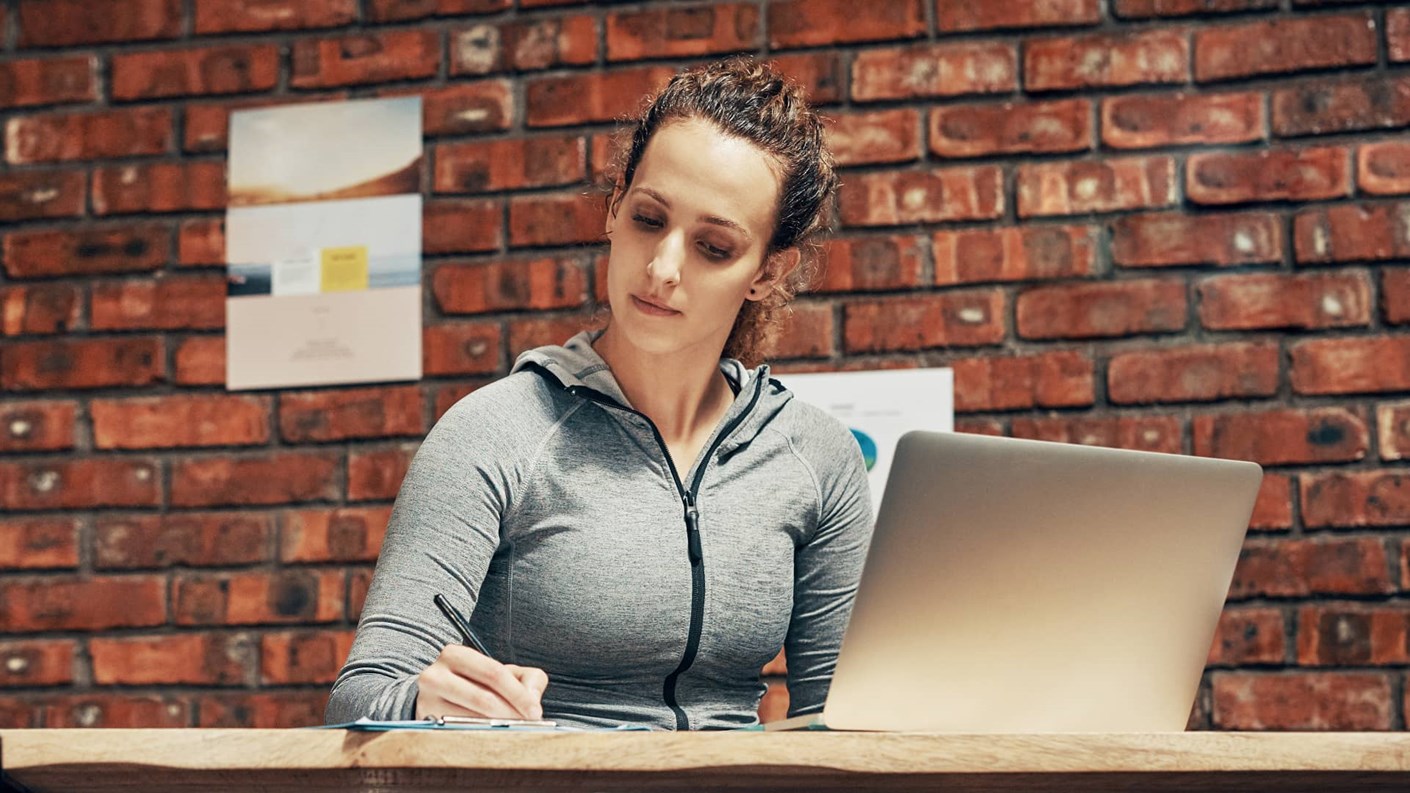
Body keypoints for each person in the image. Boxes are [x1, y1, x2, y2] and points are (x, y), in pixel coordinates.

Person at [325, 55, 873, 731]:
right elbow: (362, 694)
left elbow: (844, 726)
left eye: (713, 246)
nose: (663, 268)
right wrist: (424, 703)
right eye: (649, 218)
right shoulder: (495, 434)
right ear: (615, 207)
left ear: (767, 270)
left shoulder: (815, 457)